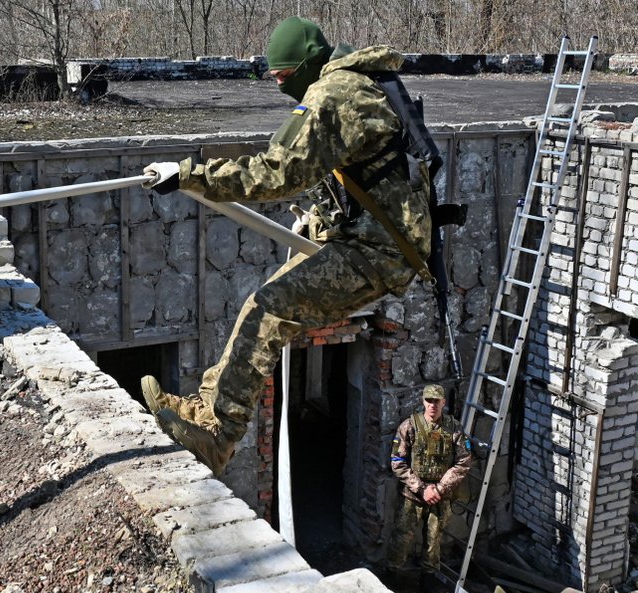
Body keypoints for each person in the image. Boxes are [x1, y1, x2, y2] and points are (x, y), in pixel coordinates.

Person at [139, 16, 434, 475]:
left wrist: (189, 175)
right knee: (258, 309)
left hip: (377, 251)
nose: (279, 87)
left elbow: (279, 171)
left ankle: (218, 437)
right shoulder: (358, 82)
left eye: (281, 77)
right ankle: (205, 413)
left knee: (267, 310)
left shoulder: (334, 94)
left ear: (305, 65)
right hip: (366, 239)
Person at [386, 384, 472, 592]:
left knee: (433, 542)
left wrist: (440, 489)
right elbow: (397, 462)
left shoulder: (455, 429)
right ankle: (391, 578)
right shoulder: (409, 426)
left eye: (436, 401)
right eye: (428, 400)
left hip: (440, 498)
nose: (432, 405)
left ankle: (428, 581)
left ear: (444, 402)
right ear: (423, 402)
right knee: (402, 539)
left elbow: (464, 461)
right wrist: (421, 488)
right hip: (412, 496)